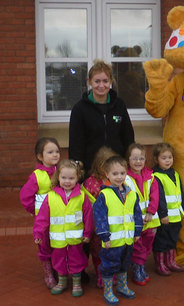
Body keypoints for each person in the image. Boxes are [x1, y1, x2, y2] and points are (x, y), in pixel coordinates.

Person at [33, 159, 93, 297]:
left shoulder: (82, 197)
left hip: (76, 239)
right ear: (58, 177)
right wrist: (38, 234)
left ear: (77, 178)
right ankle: (62, 281)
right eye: (64, 177)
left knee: (76, 260)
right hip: (58, 239)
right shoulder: (51, 197)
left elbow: (88, 217)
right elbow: (42, 218)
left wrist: (88, 233)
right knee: (58, 260)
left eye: (71, 178)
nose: (67, 181)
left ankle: (76, 283)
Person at [69, 59, 135, 177]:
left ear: (110, 81)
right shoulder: (79, 109)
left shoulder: (119, 105)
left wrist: (130, 162)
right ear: (89, 82)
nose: (101, 85)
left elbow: (128, 136)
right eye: (97, 81)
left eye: (105, 81)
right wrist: (78, 170)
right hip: (91, 171)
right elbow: (75, 144)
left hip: (117, 171)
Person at [93, 155, 143, 305]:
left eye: (122, 173)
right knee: (109, 265)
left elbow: (137, 214)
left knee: (124, 264)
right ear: (107, 174)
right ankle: (108, 291)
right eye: (115, 174)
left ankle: (122, 287)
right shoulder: (104, 195)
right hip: (112, 241)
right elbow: (99, 216)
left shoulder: (132, 194)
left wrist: (137, 232)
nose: (119, 177)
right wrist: (105, 236)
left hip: (127, 240)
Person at [19, 137, 60, 289]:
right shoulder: (37, 175)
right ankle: (48, 272)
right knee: (44, 244)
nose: (55, 155)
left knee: (57, 242)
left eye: (57, 151)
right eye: (50, 152)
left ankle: (58, 270)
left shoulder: (61, 171)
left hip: (59, 218)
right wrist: (33, 210)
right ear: (40, 156)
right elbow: (25, 195)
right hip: (44, 220)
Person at [82, 146, 118, 288]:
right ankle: (100, 275)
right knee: (98, 252)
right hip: (98, 227)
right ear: (98, 165)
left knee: (113, 251)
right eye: (105, 166)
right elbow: (88, 206)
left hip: (115, 225)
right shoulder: (90, 183)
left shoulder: (116, 180)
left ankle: (111, 273)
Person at [125, 143, 160, 286]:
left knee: (147, 246)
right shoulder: (125, 178)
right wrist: (139, 217)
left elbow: (155, 196)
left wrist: (151, 212)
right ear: (128, 160)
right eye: (134, 158)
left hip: (150, 219)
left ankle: (140, 265)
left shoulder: (151, 176)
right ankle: (137, 269)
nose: (138, 162)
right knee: (137, 246)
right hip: (136, 221)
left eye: (141, 158)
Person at [151, 143, 184, 276]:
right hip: (164, 217)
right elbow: (159, 198)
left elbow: (180, 193)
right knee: (161, 240)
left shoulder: (175, 173)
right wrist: (163, 214)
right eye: (163, 158)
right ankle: (160, 264)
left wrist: (183, 209)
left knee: (172, 239)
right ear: (156, 159)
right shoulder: (156, 176)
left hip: (176, 216)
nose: (167, 160)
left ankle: (170, 261)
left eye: (170, 157)